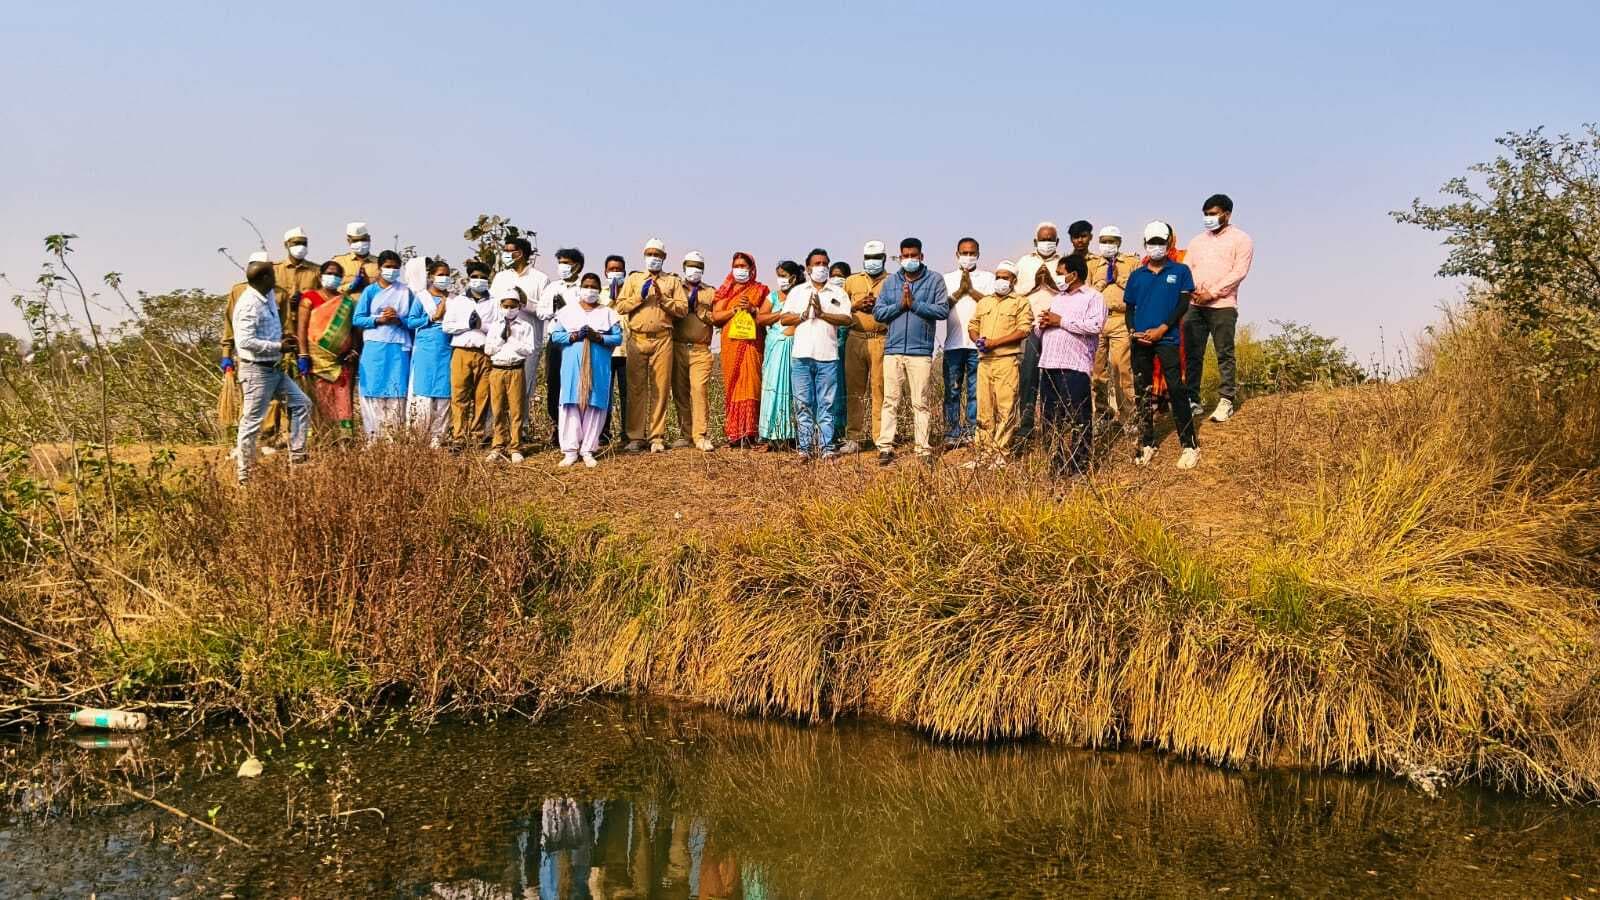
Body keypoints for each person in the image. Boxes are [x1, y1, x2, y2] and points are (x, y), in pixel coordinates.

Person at [1126, 222, 1200, 470]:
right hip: (1141, 341)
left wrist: (1162, 329)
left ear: (1168, 243)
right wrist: (1133, 332)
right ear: (1145, 244)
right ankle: (1148, 443)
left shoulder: (1180, 271)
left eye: (1160, 241)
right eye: (1151, 242)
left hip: (1167, 339)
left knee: (1177, 390)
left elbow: (1182, 305)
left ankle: (1190, 445)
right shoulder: (1137, 275)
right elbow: (1129, 309)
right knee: (1142, 392)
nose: (1156, 246)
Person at [872, 237, 950, 465]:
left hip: (920, 351)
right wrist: (900, 305)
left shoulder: (935, 280)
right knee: (890, 400)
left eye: (913, 256)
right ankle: (885, 447)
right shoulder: (890, 282)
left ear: (921, 257)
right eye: (904, 256)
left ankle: (923, 448)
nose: (909, 260)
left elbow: (942, 309)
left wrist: (915, 304)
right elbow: (878, 312)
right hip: (893, 350)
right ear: (899, 257)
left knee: (921, 401)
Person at [231, 259, 310, 484]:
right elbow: (245, 341)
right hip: (257, 370)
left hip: (273, 368)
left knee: (302, 404)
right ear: (264, 278)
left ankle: (298, 461)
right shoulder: (248, 304)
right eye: (272, 274)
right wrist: (278, 346)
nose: (276, 277)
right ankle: (244, 477)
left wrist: (282, 339)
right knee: (252, 422)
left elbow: (264, 333)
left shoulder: (266, 298)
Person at [1183, 193, 1255, 424]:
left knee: (1224, 352)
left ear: (1227, 214)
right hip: (1194, 305)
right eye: (1206, 215)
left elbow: (1238, 272)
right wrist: (1192, 290)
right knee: (1193, 353)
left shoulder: (1241, 240)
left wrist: (1211, 293)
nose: (1209, 219)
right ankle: (1193, 399)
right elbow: (1187, 269)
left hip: (1222, 304)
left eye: (1213, 214)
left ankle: (1226, 399)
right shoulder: (1196, 241)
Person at [615, 238, 688, 453]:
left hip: (663, 338)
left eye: (657, 255)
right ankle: (636, 436)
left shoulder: (672, 281)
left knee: (661, 388)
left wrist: (663, 299)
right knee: (636, 388)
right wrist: (640, 297)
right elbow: (620, 305)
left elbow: (683, 309)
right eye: (650, 254)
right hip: (636, 338)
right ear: (644, 254)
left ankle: (657, 436)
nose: (653, 258)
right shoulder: (635, 279)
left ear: (664, 258)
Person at [1037, 254, 1107, 475]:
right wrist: (1043, 324)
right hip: (1049, 364)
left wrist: (1061, 321)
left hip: (1074, 366)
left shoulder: (1093, 297)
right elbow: (1046, 328)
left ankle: (1080, 464)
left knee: (1079, 415)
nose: (1057, 277)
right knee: (1050, 417)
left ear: (1074, 274)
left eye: (1060, 273)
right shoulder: (1058, 298)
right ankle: (1055, 462)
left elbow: (1095, 326)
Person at [781, 249, 853, 461]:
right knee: (803, 403)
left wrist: (823, 314)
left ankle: (827, 448)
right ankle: (804, 449)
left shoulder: (837, 292)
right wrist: (803, 315)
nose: (821, 267)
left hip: (828, 356)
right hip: (801, 356)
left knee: (827, 404)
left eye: (824, 263)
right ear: (808, 267)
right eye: (817, 263)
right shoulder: (798, 292)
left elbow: (847, 319)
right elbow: (784, 319)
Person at [550, 273, 624, 468]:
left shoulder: (608, 313)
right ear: (581, 288)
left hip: (598, 364)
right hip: (572, 365)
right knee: (571, 402)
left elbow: (617, 338)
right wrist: (574, 336)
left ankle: (588, 449)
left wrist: (599, 338)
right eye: (587, 285)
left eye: (594, 286)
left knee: (594, 404)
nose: (590, 290)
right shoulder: (567, 312)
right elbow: (556, 337)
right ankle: (570, 450)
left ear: (599, 291)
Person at [964, 260, 1031, 466]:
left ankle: (1001, 453)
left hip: (1006, 360)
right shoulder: (985, 302)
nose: (1001, 280)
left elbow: (1024, 330)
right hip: (985, 361)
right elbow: (973, 325)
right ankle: (984, 453)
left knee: (1006, 407)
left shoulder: (1020, 302)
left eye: (1005, 277)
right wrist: (978, 340)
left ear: (1014, 280)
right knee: (984, 408)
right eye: (998, 276)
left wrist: (995, 343)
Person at [351, 250, 417, 442]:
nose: (392, 270)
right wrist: (379, 319)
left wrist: (399, 320)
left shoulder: (405, 292)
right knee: (373, 389)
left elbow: (413, 321)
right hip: (374, 347)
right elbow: (358, 319)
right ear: (379, 268)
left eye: (396, 267)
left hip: (398, 348)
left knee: (397, 390)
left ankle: (393, 438)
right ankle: (373, 438)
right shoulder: (370, 291)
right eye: (388, 267)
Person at [489, 235, 549, 442]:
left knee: (524, 386)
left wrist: (525, 301)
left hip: (527, 340)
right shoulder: (500, 278)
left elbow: (544, 311)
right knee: (498, 387)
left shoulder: (540, 279)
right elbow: (493, 307)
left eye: (509, 251)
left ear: (520, 253)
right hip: (502, 340)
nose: (505, 255)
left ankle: (520, 431)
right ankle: (497, 431)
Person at [294, 259, 360, 442]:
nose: (334, 277)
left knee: (343, 401)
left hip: (342, 362)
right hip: (316, 361)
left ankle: (345, 439)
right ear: (321, 276)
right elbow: (302, 328)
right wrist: (303, 354)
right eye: (330, 273)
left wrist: (354, 349)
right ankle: (323, 439)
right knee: (321, 401)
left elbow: (353, 329)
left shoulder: (347, 302)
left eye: (338, 275)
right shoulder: (309, 299)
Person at [938, 237, 992, 448]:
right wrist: (960, 292)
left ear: (978, 254)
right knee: (952, 391)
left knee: (975, 391)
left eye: (972, 253)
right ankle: (952, 433)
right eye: (964, 253)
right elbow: (941, 308)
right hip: (953, 344)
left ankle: (971, 432)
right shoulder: (946, 279)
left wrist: (971, 291)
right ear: (956, 254)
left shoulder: (988, 278)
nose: (968, 257)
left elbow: (990, 305)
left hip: (977, 345)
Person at [709, 252, 767, 448]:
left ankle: (750, 433)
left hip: (752, 344)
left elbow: (766, 316)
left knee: (752, 385)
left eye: (744, 266)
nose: (740, 269)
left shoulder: (761, 290)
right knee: (733, 387)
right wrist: (733, 311)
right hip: (731, 345)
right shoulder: (725, 291)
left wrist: (752, 308)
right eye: (737, 265)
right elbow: (715, 317)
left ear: (752, 269)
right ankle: (735, 435)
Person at [840, 240, 889, 454]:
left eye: (876, 258)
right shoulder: (851, 281)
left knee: (881, 389)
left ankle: (881, 438)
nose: (872, 262)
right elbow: (837, 307)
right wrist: (855, 305)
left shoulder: (892, 281)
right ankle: (854, 437)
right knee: (854, 390)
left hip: (881, 338)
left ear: (884, 259)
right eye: (868, 258)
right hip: (855, 337)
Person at [1015, 221, 1062, 442]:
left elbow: (1068, 292)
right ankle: (1026, 426)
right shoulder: (1024, 263)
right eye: (1043, 239)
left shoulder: (1064, 263)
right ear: (1035, 242)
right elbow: (1014, 292)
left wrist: (1051, 283)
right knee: (1028, 375)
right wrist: (1035, 284)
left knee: (1053, 377)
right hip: (1031, 326)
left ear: (1057, 242)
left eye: (1050, 239)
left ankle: (1051, 425)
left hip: (1056, 328)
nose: (1046, 243)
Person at [1088, 225, 1139, 428]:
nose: (1107, 245)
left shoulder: (1131, 263)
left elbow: (1137, 292)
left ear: (1119, 243)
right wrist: (1099, 285)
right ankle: (1101, 413)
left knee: (1122, 369)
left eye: (1111, 241)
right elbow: (1085, 292)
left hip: (1120, 318)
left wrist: (1120, 279)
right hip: (1097, 320)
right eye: (1103, 241)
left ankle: (1128, 416)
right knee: (1097, 371)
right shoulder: (1092, 265)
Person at [218, 250, 271, 444]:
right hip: (248, 356)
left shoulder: (277, 292)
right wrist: (227, 354)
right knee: (249, 402)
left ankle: (266, 440)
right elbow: (229, 325)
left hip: (271, 356)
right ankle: (246, 445)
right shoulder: (238, 292)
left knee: (272, 402)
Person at [442, 261, 495, 448]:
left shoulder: (494, 303)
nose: (478, 280)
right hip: (461, 352)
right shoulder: (458, 301)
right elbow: (446, 326)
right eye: (475, 277)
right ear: (468, 278)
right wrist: (467, 325)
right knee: (459, 395)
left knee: (483, 396)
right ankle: (459, 436)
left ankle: (478, 435)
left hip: (484, 353)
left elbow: (499, 329)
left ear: (488, 279)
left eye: (482, 277)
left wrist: (482, 326)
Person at [484, 284, 539, 463]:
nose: (509, 309)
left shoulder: (525, 326)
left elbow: (528, 349)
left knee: (516, 410)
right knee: (498, 409)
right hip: (497, 370)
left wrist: (512, 339)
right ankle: (498, 445)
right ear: (500, 306)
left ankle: (516, 446)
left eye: (513, 306)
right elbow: (489, 349)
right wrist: (501, 338)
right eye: (506, 306)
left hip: (515, 369)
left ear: (519, 307)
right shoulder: (495, 326)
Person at [407, 258, 454, 448]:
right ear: (431, 276)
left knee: (444, 395)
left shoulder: (453, 299)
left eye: (447, 275)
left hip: (447, 350)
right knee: (424, 394)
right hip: (426, 351)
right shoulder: (422, 298)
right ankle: (418, 438)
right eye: (440, 275)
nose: (444, 278)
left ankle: (438, 439)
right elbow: (411, 322)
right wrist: (431, 318)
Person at [671, 251, 715, 451]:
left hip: (700, 348)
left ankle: (701, 435)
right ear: (683, 267)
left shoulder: (711, 292)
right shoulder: (674, 287)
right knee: (680, 392)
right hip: (677, 346)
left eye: (698, 266)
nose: (694, 270)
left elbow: (718, 318)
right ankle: (685, 434)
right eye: (690, 265)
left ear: (703, 270)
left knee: (699, 390)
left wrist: (700, 310)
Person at [538, 248, 586, 435]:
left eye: (566, 263)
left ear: (577, 266)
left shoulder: (584, 286)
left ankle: (577, 428)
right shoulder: (552, 288)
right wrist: (554, 308)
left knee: (575, 383)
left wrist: (568, 309)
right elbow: (541, 312)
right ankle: (557, 427)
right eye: (560, 263)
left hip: (576, 341)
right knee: (554, 383)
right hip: (556, 341)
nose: (562, 267)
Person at [758, 260, 802, 452]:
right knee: (772, 388)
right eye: (779, 275)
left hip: (794, 345)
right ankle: (770, 435)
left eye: (784, 275)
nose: (781, 279)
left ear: (793, 277)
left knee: (793, 390)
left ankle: (791, 436)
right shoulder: (773, 296)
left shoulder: (801, 294)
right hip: (775, 346)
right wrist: (781, 314)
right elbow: (761, 318)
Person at [599, 255, 630, 447]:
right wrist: (611, 298)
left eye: (618, 269)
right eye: (611, 269)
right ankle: (603, 432)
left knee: (628, 394)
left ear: (624, 272)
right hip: (606, 351)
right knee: (605, 393)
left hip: (628, 350)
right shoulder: (600, 293)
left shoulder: (631, 292)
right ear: (605, 272)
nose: (615, 272)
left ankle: (628, 433)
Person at [826, 260, 852, 447]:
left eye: (840, 276)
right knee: (831, 391)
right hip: (829, 349)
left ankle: (843, 430)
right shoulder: (827, 296)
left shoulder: (849, 296)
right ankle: (831, 432)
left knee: (846, 391)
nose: (836, 279)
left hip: (848, 348)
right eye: (833, 275)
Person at [331, 222, 380, 291]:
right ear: (349, 241)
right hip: (346, 301)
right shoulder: (338, 262)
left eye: (363, 239)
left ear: (369, 238)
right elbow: (330, 289)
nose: (360, 243)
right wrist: (349, 286)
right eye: (355, 241)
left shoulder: (380, 263)